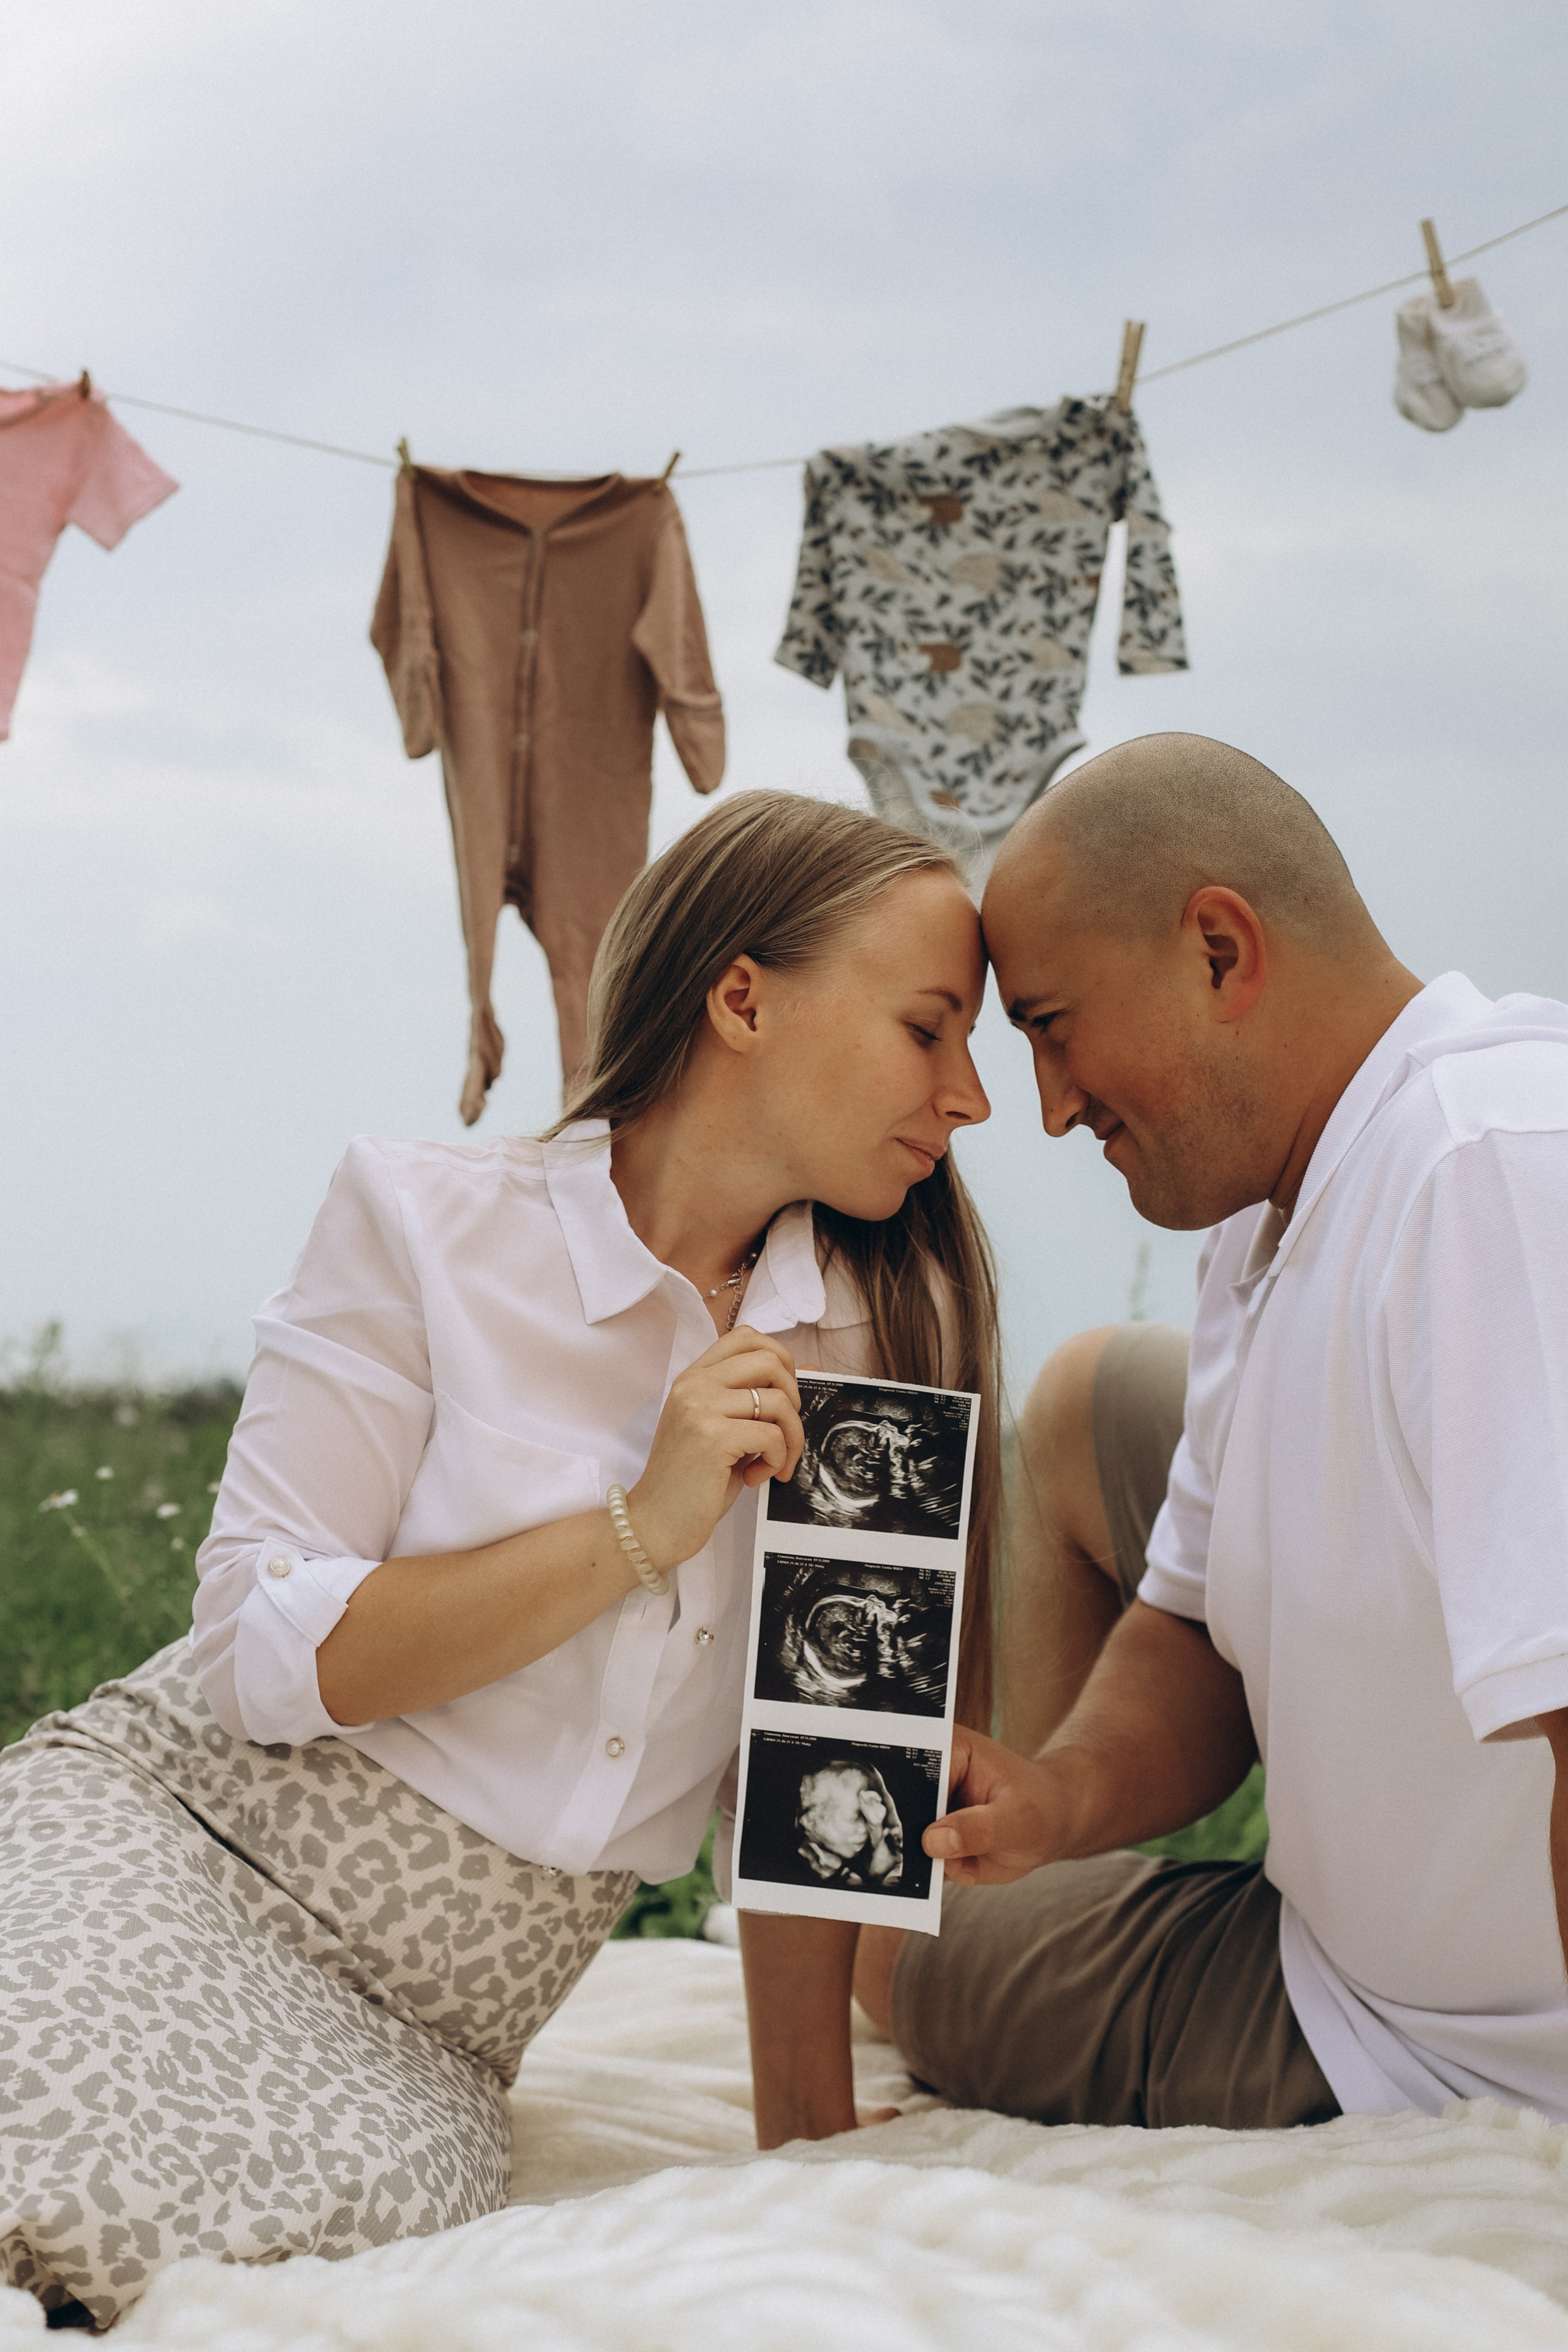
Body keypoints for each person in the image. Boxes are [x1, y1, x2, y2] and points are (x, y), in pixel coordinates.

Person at [0, 790, 1000, 2328]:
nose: (970, 1095)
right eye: (929, 1029)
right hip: (178, 1848)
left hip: (430, 2033)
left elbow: (818, 1802)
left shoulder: (886, 1351)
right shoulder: (419, 1221)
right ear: (742, 997)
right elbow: (257, 1659)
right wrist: (635, 1529)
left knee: (267, 2260)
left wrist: (807, 2155)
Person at [856, 731, 1568, 2133]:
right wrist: (1049, 1797)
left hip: (1429, 2041)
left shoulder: (1485, 1175)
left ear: (1219, 953)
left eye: (1052, 1028)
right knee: (1082, 1398)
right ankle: (1055, 1877)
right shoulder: (1267, 1200)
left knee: (881, 1937)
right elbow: (1183, 1630)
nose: (1047, 1109)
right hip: (1349, 1907)